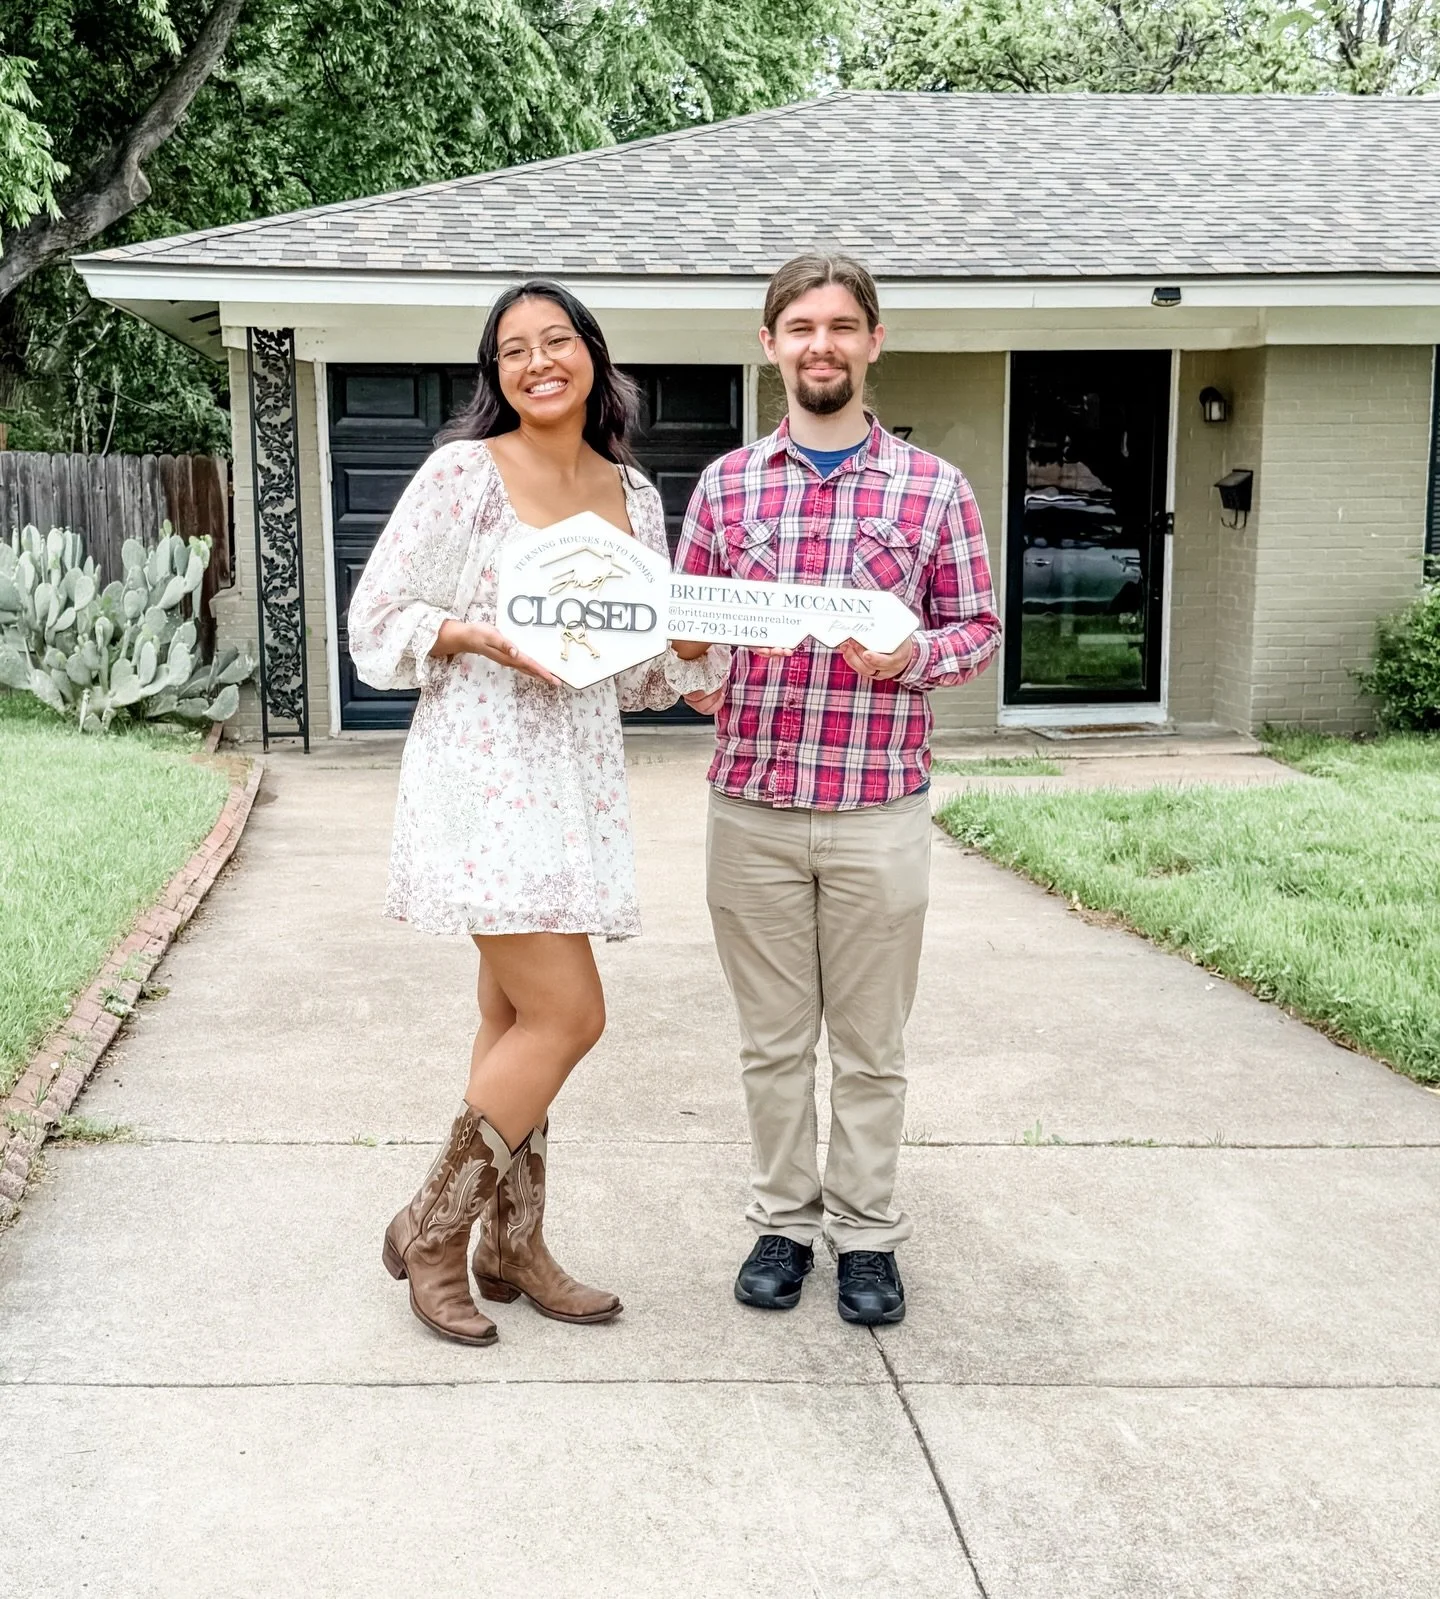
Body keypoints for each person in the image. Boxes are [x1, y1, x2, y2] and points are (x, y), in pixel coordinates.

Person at [348, 280, 721, 1346]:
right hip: (482, 773)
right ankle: (432, 1230)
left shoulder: (634, 495)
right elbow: (378, 616)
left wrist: (692, 649)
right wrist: (476, 635)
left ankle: (513, 1245)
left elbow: (634, 671)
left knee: (515, 1021)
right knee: (571, 1014)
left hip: (574, 781)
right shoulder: (464, 474)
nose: (538, 361)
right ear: (496, 373)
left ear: (592, 356)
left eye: (557, 340)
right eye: (513, 349)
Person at [671, 252, 1001, 1326]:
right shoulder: (725, 487)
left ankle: (866, 1236)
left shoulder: (934, 488)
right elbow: (691, 646)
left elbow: (979, 626)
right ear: (770, 345)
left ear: (873, 342)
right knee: (772, 1044)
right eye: (802, 327)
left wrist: (914, 657)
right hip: (752, 806)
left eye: (842, 326)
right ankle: (783, 1221)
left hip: (878, 809)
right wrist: (694, 656)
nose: (823, 345)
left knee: (870, 1047)